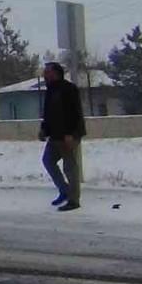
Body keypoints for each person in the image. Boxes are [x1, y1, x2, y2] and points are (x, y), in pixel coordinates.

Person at [39, 62, 85, 212]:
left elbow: (75, 113)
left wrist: (71, 134)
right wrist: (44, 130)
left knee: (70, 167)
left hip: (68, 135)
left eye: (47, 72)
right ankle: (64, 190)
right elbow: (48, 113)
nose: (45, 74)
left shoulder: (69, 89)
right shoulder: (50, 90)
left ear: (55, 73)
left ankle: (74, 200)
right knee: (48, 160)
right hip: (55, 135)